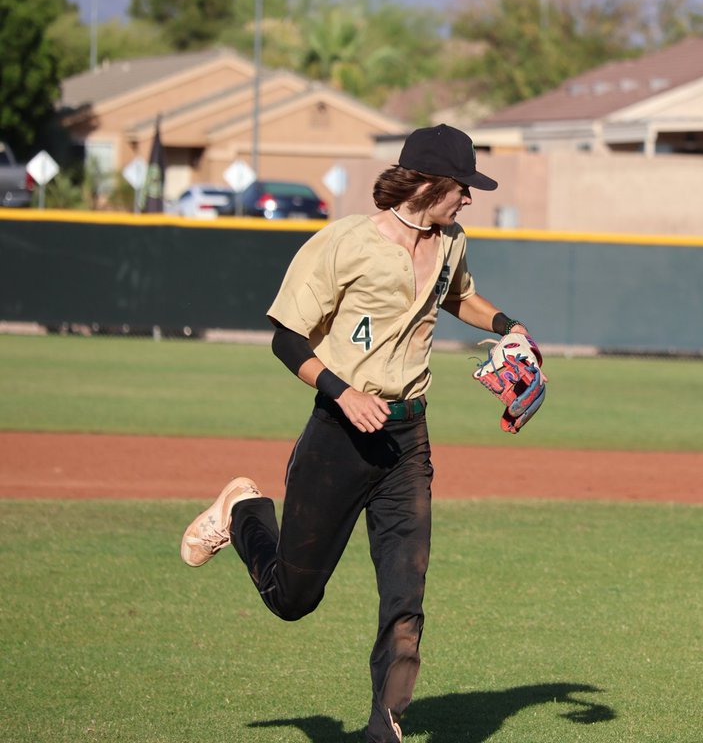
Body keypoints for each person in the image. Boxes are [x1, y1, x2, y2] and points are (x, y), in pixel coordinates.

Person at [180, 124, 533, 743]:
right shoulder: (344, 242)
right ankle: (242, 511)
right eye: (463, 188)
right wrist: (341, 391)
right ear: (429, 183)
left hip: (408, 442)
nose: (469, 199)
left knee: (406, 598)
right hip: (338, 439)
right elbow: (285, 337)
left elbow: (459, 298)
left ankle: (384, 727)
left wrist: (507, 324)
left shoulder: (450, 242)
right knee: (293, 597)